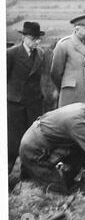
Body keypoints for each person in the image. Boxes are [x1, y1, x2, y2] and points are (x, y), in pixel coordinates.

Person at [7, 21, 46, 174]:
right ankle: (6, 174)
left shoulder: (41, 54)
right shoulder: (11, 53)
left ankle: (27, 173)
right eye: (33, 38)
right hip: (15, 104)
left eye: (38, 39)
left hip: (34, 103)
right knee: (13, 141)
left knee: (32, 140)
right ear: (24, 37)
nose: (36, 42)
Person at [51, 14, 85, 108]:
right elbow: (56, 73)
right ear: (77, 28)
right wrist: (65, 87)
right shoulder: (64, 45)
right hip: (73, 95)